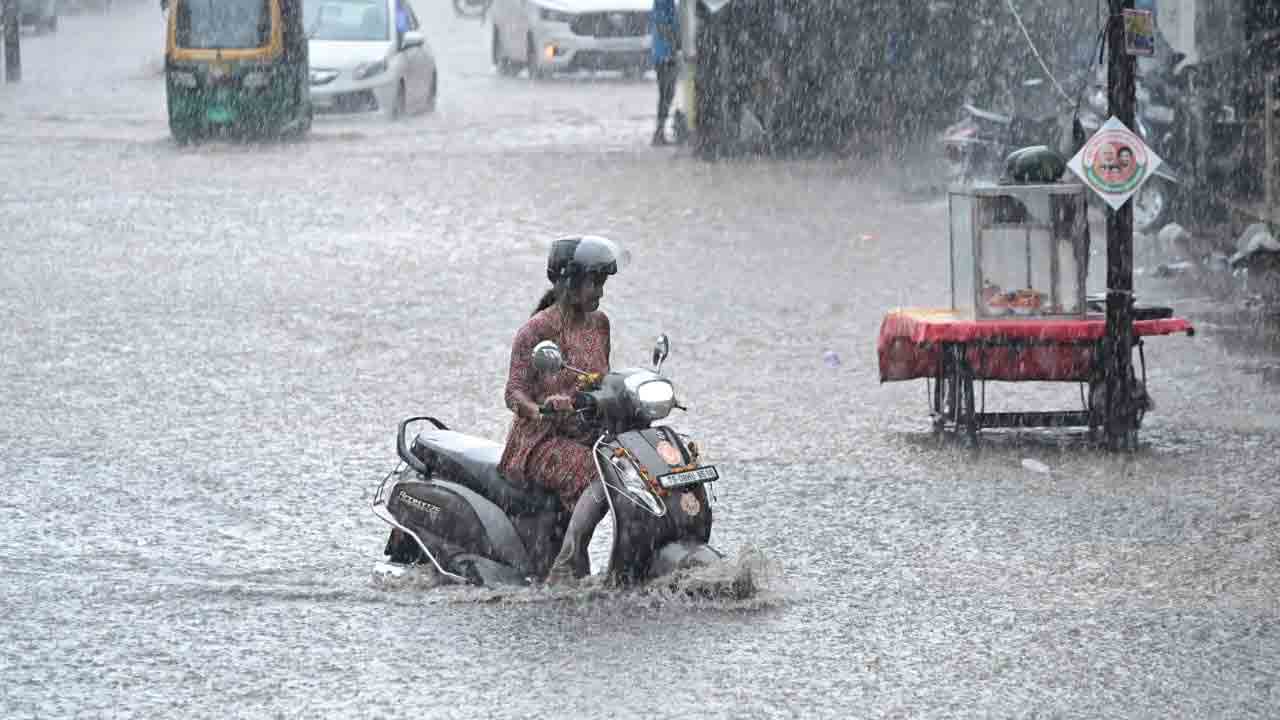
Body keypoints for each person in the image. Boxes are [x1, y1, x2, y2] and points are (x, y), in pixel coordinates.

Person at [499, 236, 621, 583]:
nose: (600, 291)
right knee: (604, 475)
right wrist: (541, 410)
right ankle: (566, 564)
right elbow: (513, 392)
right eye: (593, 282)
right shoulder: (536, 330)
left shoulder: (600, 324)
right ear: (568, 282)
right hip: (540, 442)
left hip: (588, 434)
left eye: (603, 282)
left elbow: (604, 380)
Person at [649, 0, 679, 146]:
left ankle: (659, 131)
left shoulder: (669, 3)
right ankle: (659, 132)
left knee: (667, 93)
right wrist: (675, 46)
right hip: (664, 54)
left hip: (664, 53)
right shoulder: (663, 2)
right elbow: (662, 25)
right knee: (667, 92)